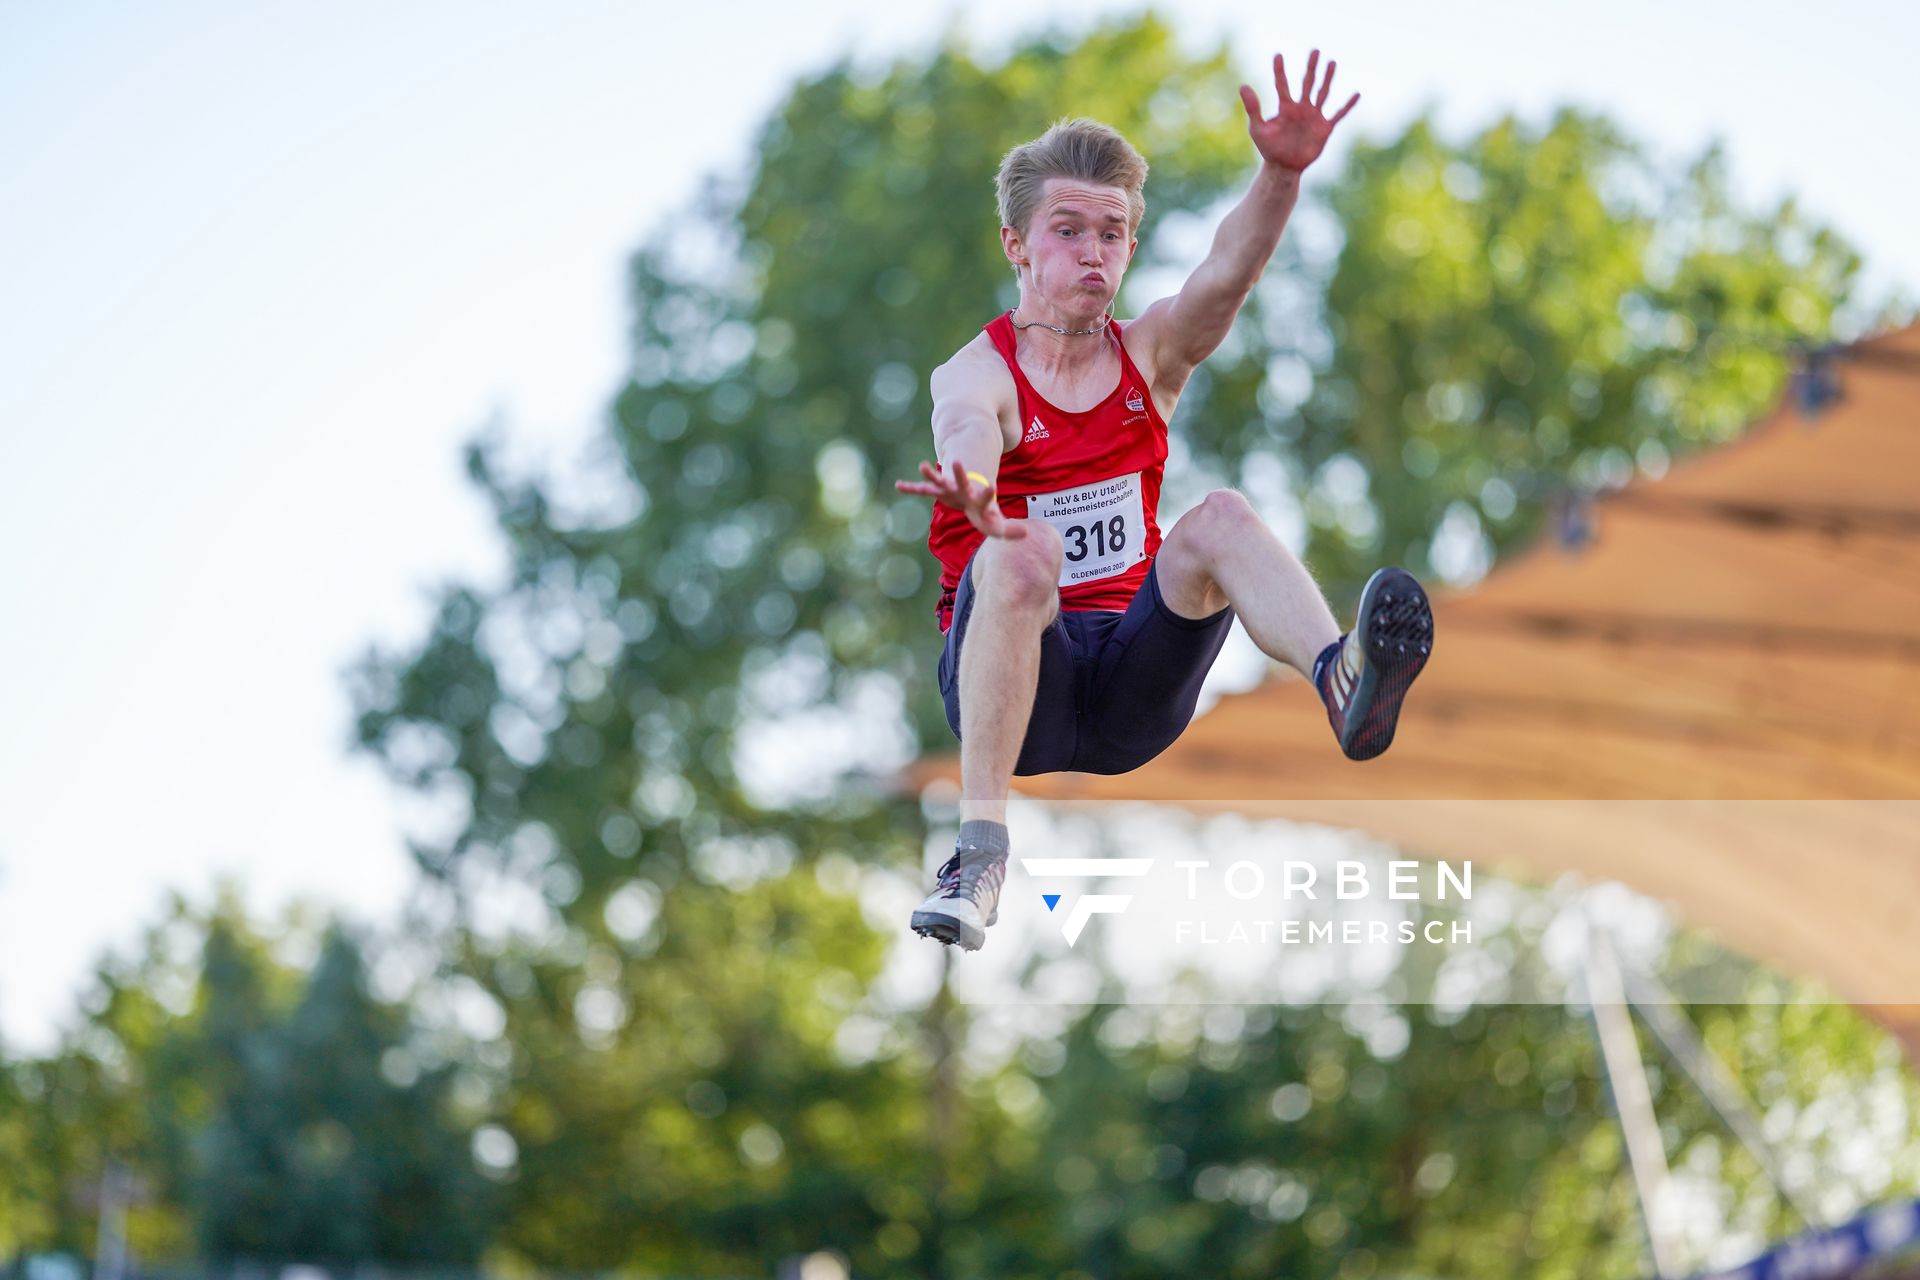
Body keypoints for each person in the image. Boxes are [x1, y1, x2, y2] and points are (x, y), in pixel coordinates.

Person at [896, 51, 1433, 951]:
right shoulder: (978, 373)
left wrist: (1280, 174)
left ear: (1130, 248)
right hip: (1018, 686)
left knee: (1217, 516)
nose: (1092, 253)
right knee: (1023, 550)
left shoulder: (1148, 358)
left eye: (1111, 234)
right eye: (1068, 230)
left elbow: (1226, 272)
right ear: (1018, 245)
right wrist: (979, 498)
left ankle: (1342, 680)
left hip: (1133, 693)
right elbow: (966, 434)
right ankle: (979, 856)